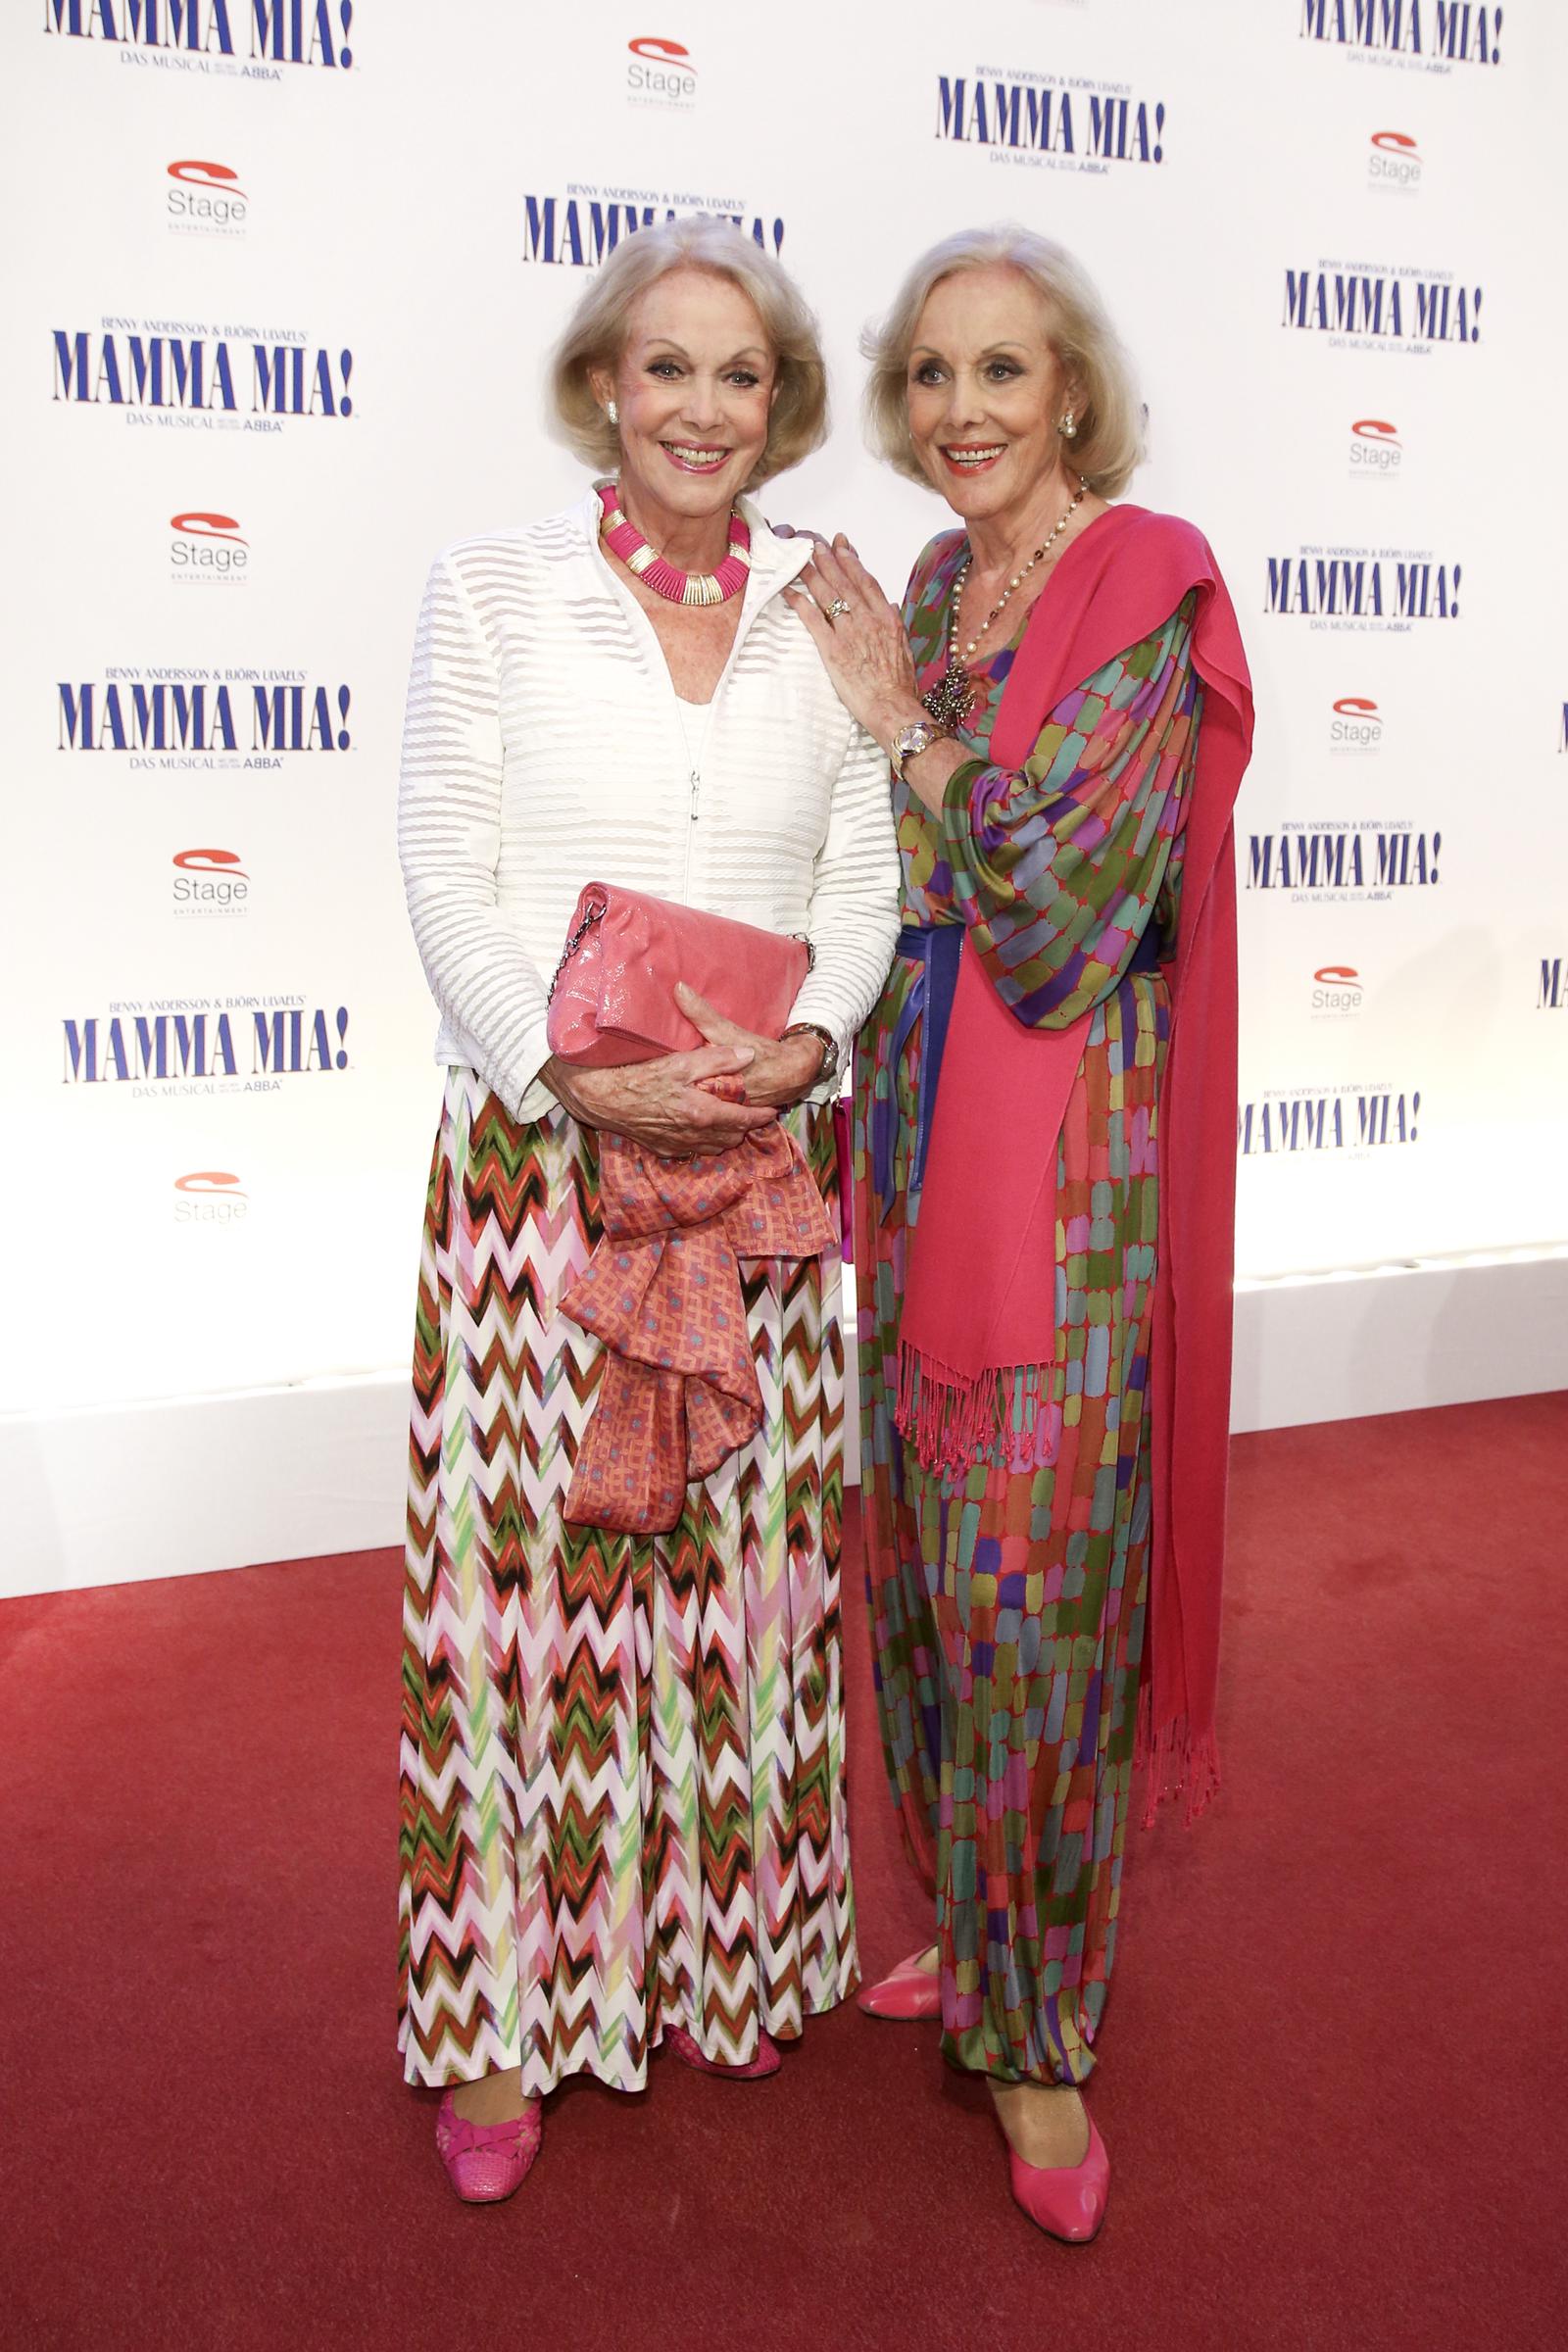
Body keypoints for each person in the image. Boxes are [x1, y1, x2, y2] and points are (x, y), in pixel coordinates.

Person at [396, 217, 902, 2203]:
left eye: (742, 374)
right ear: (605, 385)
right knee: (525, 1597)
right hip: (546, 1166)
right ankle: (496, 2020)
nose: (703, 405)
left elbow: (859, 873)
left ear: (777, 410)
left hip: (757, 1174)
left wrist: (812, 1046)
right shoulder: (494, 591)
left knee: (745, 1585)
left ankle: (723, 1963)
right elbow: (445, 867)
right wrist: (568, 1068)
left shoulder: (821, 605)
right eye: (666, 366)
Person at [787, 224, 1252, 2241]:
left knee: (1031, 1601)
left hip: (1060, 1183)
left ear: (1071, 392)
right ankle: (970, 1940)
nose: (961, 412)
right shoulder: (925, 588)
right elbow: (877, 870)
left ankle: (1042, 2030)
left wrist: (900, 734)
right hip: (907, 1139)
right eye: (928, 376)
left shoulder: (1141, 586)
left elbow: (1061, 906)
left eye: (1002, 371)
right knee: (921, 1581)